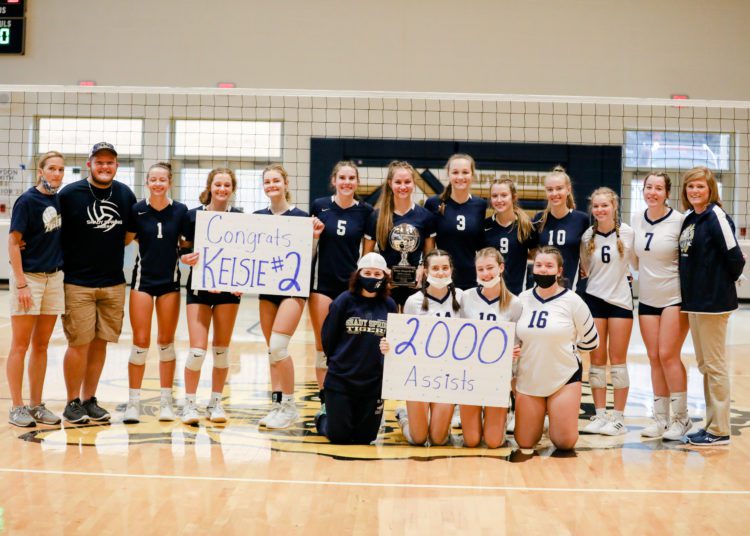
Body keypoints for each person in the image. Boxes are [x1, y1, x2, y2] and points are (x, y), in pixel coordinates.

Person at [59, 142, 137, 423]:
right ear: (89, 164)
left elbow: (128, 236)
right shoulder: (69, 194)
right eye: (99, 162)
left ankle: (88, 399)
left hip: (113, 282)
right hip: (77, 282)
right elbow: (52, 229)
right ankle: (71, 402)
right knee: (79, 343)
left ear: (116, 165)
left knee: (100, 343)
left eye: (109, 162)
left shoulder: (125, 194)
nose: (105, 167)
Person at [678, 167, 744, 446]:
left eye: (700, 186)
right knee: (705, 365)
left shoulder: (716, 215)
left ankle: (719, 430)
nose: (695, 191)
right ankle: (711, 425)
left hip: (713, 303)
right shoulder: (690, 218)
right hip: (695, 302)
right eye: (690, 186)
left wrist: (717, 286)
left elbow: (736, 257)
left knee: (714, 366)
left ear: (710, 190)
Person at [255, 164, 323, 429]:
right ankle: (277, 406)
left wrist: (314, 239)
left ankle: (290, 407)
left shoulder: (301, 217)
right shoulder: (258, 217)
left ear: (286, 183)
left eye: (276, 180)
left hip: (292, 290)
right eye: (267, 181)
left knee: (278, 346)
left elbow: (309, 257)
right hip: (267, 290)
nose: (272, 185)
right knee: (272, 351)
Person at [122, 162, 188, 424]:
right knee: (140, 342)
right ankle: (133, 403)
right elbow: (125, 239)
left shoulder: (180, 210)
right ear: (147, 182)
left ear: (170, 182)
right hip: (143, 282)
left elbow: (188, 244)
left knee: (166, 342)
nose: (158, 184)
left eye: (163, 180)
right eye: (153, 180)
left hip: (170, 282)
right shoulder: (137, 210)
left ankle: (166, 402)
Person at [514, 247, 599, 451]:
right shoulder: (522, 299)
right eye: (539, 265)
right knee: (525, 442)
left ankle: (556, 415)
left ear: (559, 271)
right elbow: (513, 337)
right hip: (530, 378)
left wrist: (567, 351)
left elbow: (591, 340)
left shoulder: (573, 301)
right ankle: (542, 418)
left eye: (549, 265)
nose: (543, 269)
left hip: (563, 378)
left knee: (564, 442)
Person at [179, 168, 243, 425]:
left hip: (228, 291)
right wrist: (185, 258)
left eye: (227, 185)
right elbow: (182, 249)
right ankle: (189, 404)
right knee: (197, 351)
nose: (222, 189)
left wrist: (243, 280)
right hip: (200, 288)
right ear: (210, 186)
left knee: (221, 351)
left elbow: (245, 256)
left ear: (232, 188)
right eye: (218, 184)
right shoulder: (193, 216)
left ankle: (215, 402)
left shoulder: (239, 217)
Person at [6, 151, 65, 427]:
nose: (56, 173)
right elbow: (13, 242)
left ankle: (36, 405)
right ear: (40, 171)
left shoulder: (60, 200)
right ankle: (16, 406)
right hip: (29, 278)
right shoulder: (27, 200)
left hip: (54, 278)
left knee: (41, 345)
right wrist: (21, 284)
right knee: (20, 344)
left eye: (61, 169)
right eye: (51, 168)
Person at [631, 172, 691, 440]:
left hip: (673, 298)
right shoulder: (636, 219)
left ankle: (682, 419)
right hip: (646, 298)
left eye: (658, 188)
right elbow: (634, 259)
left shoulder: (680, 221)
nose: (652, 192)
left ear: (667, 193)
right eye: (648, 187)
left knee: (668, 355)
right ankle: (661, 419)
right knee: (654, 357)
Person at [315, 253, 397, 444]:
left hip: (373, 382)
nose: (372, 277)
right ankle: (323, 418)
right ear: (358, 274)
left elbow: (395, 341)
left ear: (385, 277)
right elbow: (328, 337)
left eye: (377, 274)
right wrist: (338, 363)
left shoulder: (389, 305)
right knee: (339, 437)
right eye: (367, 273)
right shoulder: (344, 301)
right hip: (341, 380)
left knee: (365, 438)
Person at [309, 161, 373, 394]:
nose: (347, 182)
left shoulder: (366, 211)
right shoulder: (320, 206)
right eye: (342, 178)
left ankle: (346, 395)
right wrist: (314, 235)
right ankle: (325, 401)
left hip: (350, 287)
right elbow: (308, 246)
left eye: (351, 178)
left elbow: (367, 256)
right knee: (323, 345)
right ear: (334, 181)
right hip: (322, 285)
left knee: (350, 343)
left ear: (357, 182)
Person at [580, 187, 635, 436]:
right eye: (596, 206)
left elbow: (636, 262)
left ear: (614, 206)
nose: (600, 210)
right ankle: (600, 414)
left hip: (620, 302)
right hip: (594, 301)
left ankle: (619, 418)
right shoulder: (587, 236)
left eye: (605, 205)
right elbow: (585, 268)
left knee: (618, 362)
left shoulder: (628, 233)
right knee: (596, 361)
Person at [393, 249, 461, 446]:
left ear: (451, 270)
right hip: (420, 374)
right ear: (425, 271)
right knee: (419, 438)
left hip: (448, 376)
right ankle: (404, 417)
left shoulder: (462, 298)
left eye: (445, 268)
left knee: (439, 440)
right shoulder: (413, 302)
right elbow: (405, 341)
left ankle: (442, 424)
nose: (440, 272)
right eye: (435, 268)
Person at [458, 248, 522, 448]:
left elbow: (518, 343)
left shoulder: (515, 303)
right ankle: (405, 416)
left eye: (490, 268)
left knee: (493, 442)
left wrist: (513, 352)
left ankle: (503, 414)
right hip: (470, 374)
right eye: (481, 269)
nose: (486, 274)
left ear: (501, 268)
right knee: (471, 441)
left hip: (498, 376)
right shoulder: (465, 297)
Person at [364, 161, 436, 309]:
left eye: (407, 182)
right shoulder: (376, 217)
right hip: (386, 286)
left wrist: (422, 270)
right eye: (398, 182)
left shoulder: (426, 216)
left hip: (415, 287)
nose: (403, 186)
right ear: (390, 183)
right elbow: (366, 256)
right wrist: (383, 271)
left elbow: (429, 256)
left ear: (414, 183)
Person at [424, 154, 487, 290]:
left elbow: (481, 246)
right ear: (448, 174)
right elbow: (428, 244)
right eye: (455, 172)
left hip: (471, 278)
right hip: (441, 276)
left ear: (472, 175)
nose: (460, 177)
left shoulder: (480, 205)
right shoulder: (433, 203)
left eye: (465, 172)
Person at [533, 166, 589, 288]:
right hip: (543, 286)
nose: (554, 193)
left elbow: (590, 251)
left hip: (571, 287)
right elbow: (531, 251)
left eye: (559, 188)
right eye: (550, 189)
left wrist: (586, 267)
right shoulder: (539, 219)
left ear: (568, 190)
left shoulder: (582, 219)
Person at [483, 177, 536, 295]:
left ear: (513, 197)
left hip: (518, 293)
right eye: (494, 196)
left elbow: (536, 257)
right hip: (489, 292)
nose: (499, 200)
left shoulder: (526, 226)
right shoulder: (484, 226)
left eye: (504, 195)